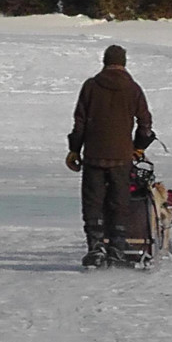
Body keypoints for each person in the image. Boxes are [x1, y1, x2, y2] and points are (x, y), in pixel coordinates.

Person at [66, 44, 154, 267]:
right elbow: (145, 124)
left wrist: (74, 149)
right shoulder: (133, 89)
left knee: (93, 203)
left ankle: (96, 248)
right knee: (120, 203)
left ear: (104, 61)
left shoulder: (91, 86)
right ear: (124, 63)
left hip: (94, 155)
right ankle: (117, 248)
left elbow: (79, 123)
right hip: (122, 157)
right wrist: (139, 146)